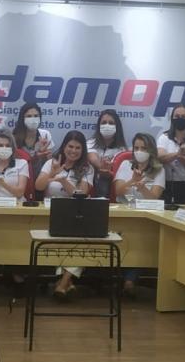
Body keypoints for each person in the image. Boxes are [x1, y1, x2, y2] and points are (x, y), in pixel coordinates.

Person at [35, 130, 95, 299]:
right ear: (64, 146)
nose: (73, 151)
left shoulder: (87, 168)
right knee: (62, 243)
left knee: (82, 243)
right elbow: (38, 186)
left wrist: (62, 179)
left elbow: (81, 194)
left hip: (75, 214)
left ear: (83, 150)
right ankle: (66, 282)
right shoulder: (52, 162)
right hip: (50, 213)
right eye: (70, 146)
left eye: (78, 148)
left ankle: (63, 282)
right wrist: (52, 173)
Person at [113, 132, 166, 296]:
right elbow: (118, 191)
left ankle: (130, 280)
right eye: (136, 148)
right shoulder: (125, 165)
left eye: (143, 148)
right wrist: (132, 180)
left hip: (145, 215)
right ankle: (125, 280)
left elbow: (155, 197)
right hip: (124, 212)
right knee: (124, 241)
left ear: (151, 150)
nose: (139, 151)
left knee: (141, 242)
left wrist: (142, 187)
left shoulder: (159, 170)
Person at [12, 102, 53, 195]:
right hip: (21, 180)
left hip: (39, 179)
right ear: (22, 118)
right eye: (29, 116)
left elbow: (49, 163)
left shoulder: (45, 135)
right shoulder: (14, 137)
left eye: (36, 116)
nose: (33, 119)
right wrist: (35, 157)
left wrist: (45, 155)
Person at [87, 108, 128, 198]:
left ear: (117, 126)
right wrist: (103, 167)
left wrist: (109, 171)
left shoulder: (122, 149)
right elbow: (92, 157)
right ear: (99, 126)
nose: (107, 125)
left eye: (111, 123)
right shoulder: (90, 143)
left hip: (112, 183)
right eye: (104, 122)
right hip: (92, 182)